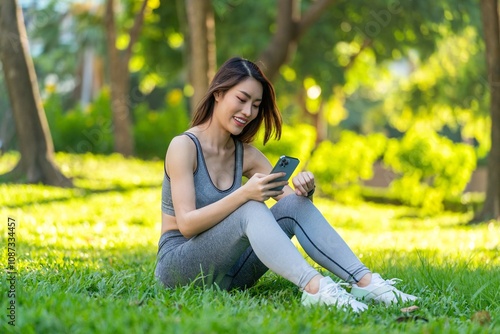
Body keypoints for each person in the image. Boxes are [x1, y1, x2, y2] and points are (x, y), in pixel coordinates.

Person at [155, 57, 417, 312]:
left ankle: (366, 283)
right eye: (242, 99)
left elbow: (292, 208)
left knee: (292, 203)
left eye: (256, 105)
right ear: (219, 94)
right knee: (251, 207)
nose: (248, 112)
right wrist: (244, 194)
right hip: (179, 269)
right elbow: (187, 225)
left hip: (231, 276)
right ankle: (316, 289)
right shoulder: (184, 147)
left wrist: (305, 193)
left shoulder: (247, 155)